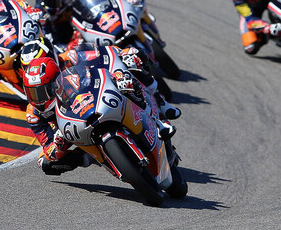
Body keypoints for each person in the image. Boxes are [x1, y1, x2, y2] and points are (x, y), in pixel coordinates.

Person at [23, 42, 180, 176]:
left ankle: (159, 111)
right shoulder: (33, 113)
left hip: (97, 98)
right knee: (44, 164)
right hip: (73, 130)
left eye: (42, 92)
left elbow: (105, 54)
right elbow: (48, 147)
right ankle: (92, 157)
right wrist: (57, 144)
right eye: (33, 93)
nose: (39, 98)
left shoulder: (71, 58)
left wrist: (120, 62)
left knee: (133, 56)